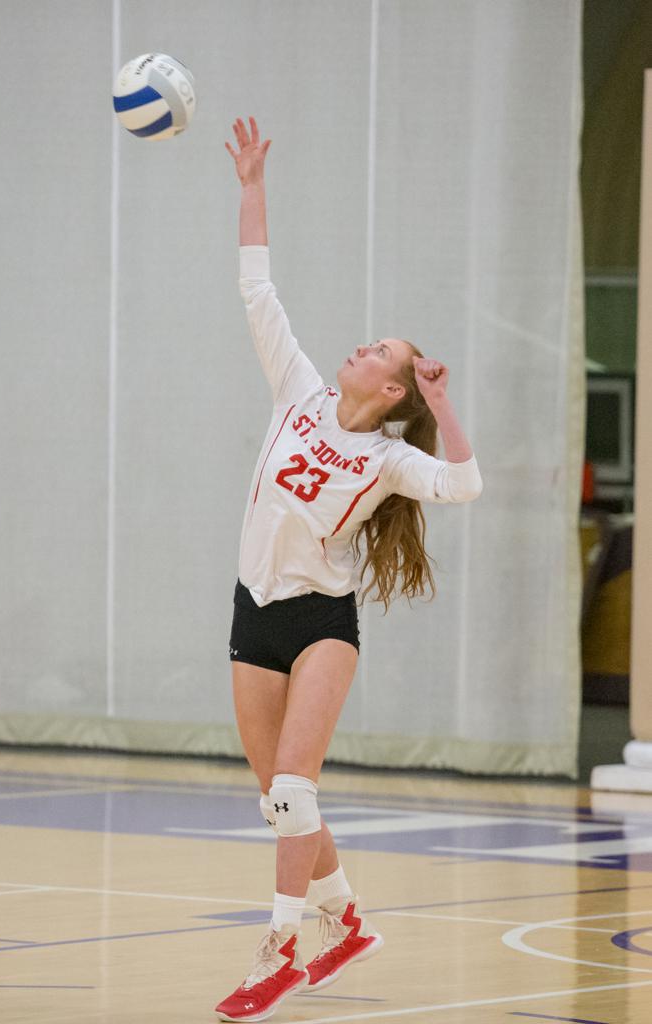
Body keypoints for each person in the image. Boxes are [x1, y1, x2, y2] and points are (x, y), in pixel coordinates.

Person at [215, 117, 483, 1024]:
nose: (360, 348)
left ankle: (279, 948)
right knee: (276, 798)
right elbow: (259, 290)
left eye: (379, 350)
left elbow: (464, 483)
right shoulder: (300, 393)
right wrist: (251, 183)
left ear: (395, 388)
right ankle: (346, 921)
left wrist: (444, 407)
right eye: (367, 340)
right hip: (253, 611)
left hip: (319, 623)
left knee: (295, 791)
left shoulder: (389, 459)